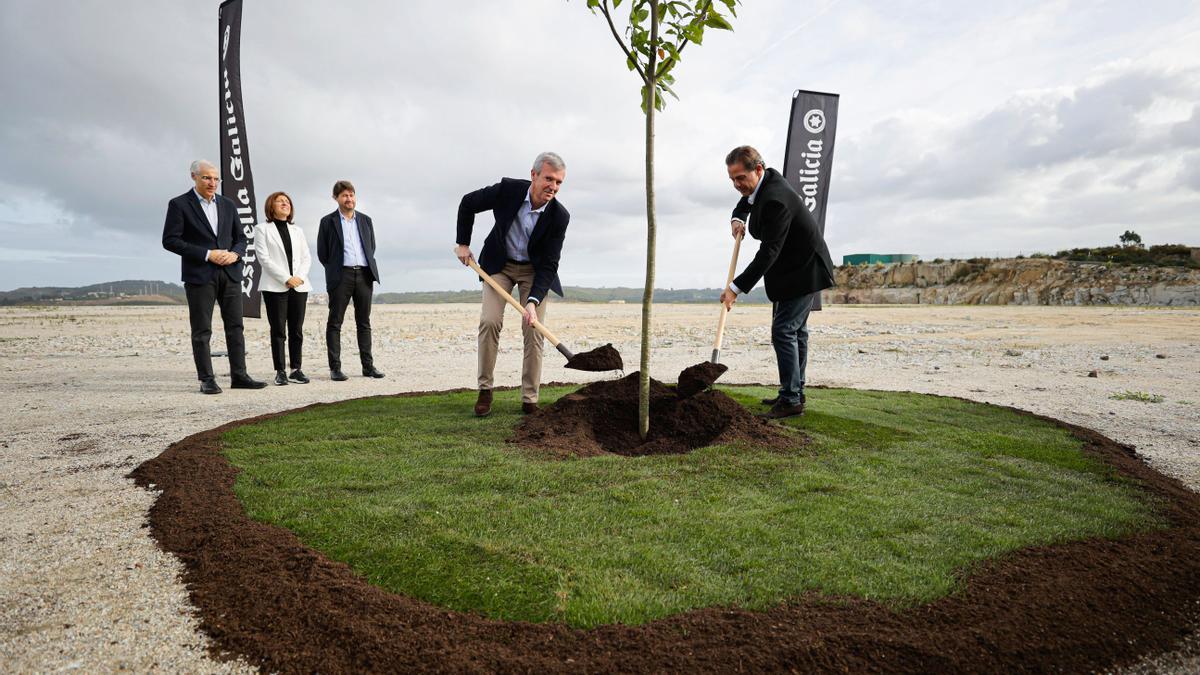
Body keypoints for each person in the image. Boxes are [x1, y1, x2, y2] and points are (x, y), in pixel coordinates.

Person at [718, 145, 834, 419]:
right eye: (732, 179)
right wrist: (737, 219)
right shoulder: (763, 183)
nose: (737, 185)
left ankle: (791, 399)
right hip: (792, 270)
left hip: (804, 270)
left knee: (784, 331)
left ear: (757, 170)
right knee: (796, 332)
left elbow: (769, 251)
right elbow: (746, 201)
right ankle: (794, 391)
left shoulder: (775, 199)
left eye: (740, 178)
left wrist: (735, 288)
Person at [455, 152, 569, 417]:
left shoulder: (559, 217)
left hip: (534, 272)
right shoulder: (508, 190)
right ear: (534, 175)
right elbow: (467, 203)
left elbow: (550, 265)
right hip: (499, 265)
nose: (553, 186)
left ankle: (530, 398)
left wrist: (532, 302)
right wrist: (463, 243)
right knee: (490, 321)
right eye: (549, 179)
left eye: (559, 182)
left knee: (534, 331)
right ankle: (485, 389)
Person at [161, 160, 266, 394]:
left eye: (215, 179)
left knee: (235, 326)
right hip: (199, 274)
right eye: (207, 178)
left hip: (230, 273)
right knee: (201, 329)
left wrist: (235, 255)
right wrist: (207, 254)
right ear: (194, 177)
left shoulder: (228, 205)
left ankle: (239, 376)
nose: (212, 183)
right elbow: (170, 240)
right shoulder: (179, 204)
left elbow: (241, 238)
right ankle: (207, 379)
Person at [317, 180, 384, 381]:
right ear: (336, 198)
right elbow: (323, 253)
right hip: (341, 275)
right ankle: (335, 368)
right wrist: (335, 270)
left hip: (364, 274)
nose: (349, 199)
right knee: (335, 322)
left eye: (352, 195)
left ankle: (368, 366)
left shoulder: (365, 220)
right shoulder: (327, 221)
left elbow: (371, 247)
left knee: (364, 322)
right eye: (345, 195)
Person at [253, 191, 312, 386]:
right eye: (280, 201)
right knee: (278, 330)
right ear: (271, 206)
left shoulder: (298, 231)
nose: (285, 204)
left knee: (296, 329)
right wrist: (286, 278)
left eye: (287, 201)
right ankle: (280, 371)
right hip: (275, 286)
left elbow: (306, 258)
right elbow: (264, 259)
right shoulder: (262, 229)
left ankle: (296, 369)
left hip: (299, 287)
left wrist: (299, 278)